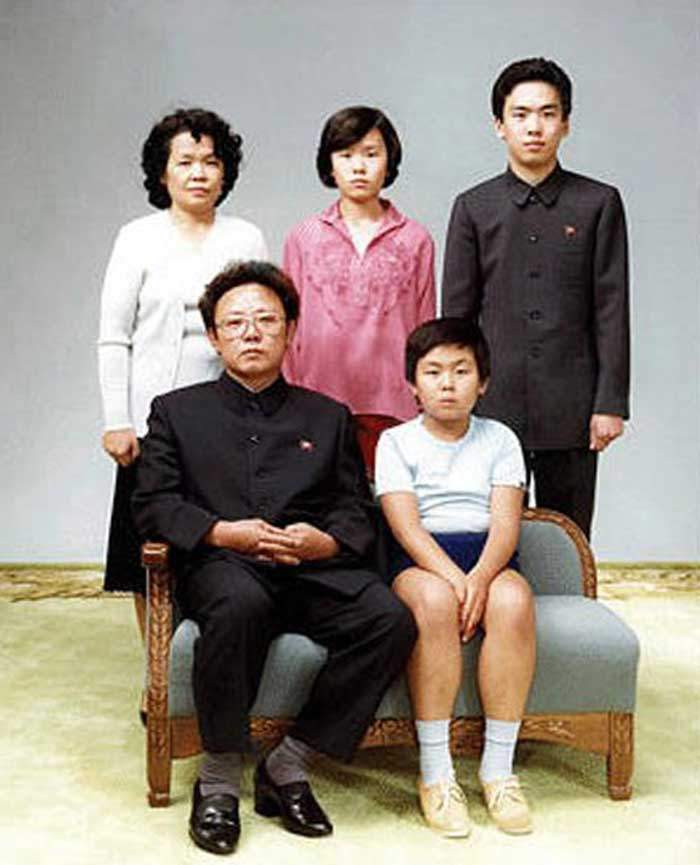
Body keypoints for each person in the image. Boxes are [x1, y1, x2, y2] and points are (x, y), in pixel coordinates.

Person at [132, 260, 417, 855]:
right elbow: (154, 505)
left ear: (291, 331)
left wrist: (328, 542)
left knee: (389, 620)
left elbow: (353, 507)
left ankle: (290, 761)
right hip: (223, 566)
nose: (251, 332)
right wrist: (221, 534)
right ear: (213, 337)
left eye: (267, 320)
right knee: (238, 603)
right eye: (234, 322)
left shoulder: (327, 415)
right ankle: (216, 783)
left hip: (310, 566)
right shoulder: (175, 411)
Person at [97, 108, 267, 680]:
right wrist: (117, 420)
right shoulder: (137, 238)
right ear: (163, 173)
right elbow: (113, 337)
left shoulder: (246, 237)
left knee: (221, 552)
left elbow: (261, 328)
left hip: (230, 420)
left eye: (211, 161)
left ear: (226, 172)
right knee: (149, 556)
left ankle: (222, 667)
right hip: (153, 427)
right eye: (185, 161)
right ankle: (162, 677)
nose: (199, 173)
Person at [442, 58, 630, 538]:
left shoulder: (598, 203)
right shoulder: (473, 207)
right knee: (491, 532)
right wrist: (455, 398)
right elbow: (457, 319)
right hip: (492, 403)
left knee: (568, 535)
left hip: (573, 403)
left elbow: (611, 307)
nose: (534, 127)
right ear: (499, 125)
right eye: (521, 114)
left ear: (565, 124)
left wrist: (610, 402)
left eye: (548, 114)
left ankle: (569, 614)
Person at [375, 318, 536, 837]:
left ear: (483, 381)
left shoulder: (501, 439)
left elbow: (506, 525)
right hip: (422, 559)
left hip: (487, 555)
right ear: (413, 384)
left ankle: (497, 770)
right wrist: (453, 578)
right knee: (437, 604)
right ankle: (438, 774)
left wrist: (482, 577)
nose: (448, 383)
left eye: (462, 371)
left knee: (513, 603)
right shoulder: (395, 441)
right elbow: (405, 526)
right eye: (434, 371)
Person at [283, 105, 435, 420]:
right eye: (346, 155)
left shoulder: (416, 239)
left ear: (389, 161)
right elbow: (288, 327)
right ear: (330, 164)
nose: (359, 167)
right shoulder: (303, 237)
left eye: (370, 154)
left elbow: (425, 328)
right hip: (316, 400)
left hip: (396, 404)